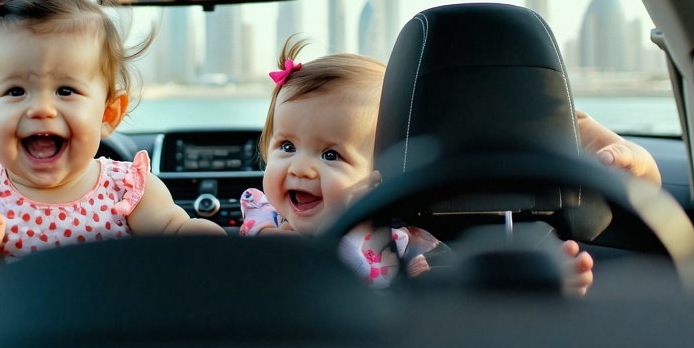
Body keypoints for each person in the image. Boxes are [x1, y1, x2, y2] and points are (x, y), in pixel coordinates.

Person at [238, 38, 661, 291]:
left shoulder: (397, 246)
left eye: (331, 155)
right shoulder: (261, 221)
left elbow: (453, 302)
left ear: (380, 176)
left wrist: (532, 288)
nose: (301, 169)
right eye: (286, 146)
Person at [0, 0, 225, 276]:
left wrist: (208, 239)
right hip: (15, 324)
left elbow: (176, 236)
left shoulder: (127, 190)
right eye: (15, 92)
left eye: (66, 91)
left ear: (108, 113)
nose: (41, 109)